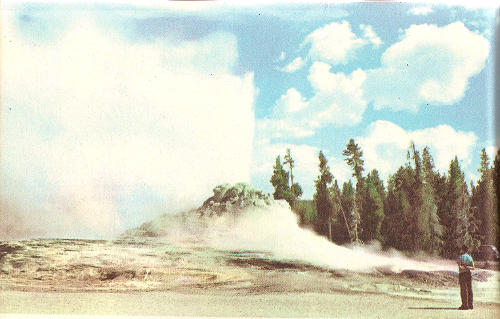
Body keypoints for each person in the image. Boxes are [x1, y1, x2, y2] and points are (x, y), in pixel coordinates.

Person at [457, 245, 474, 310]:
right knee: (469, 289)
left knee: (463, 289)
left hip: (462, 274)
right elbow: (473, 267)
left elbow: (460, 266)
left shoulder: (460, 257)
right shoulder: (470, 257)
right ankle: (470, 305)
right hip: (468, 273)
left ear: (462, 249)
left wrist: (464, 267)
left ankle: (465, 305)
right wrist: (467, 267)